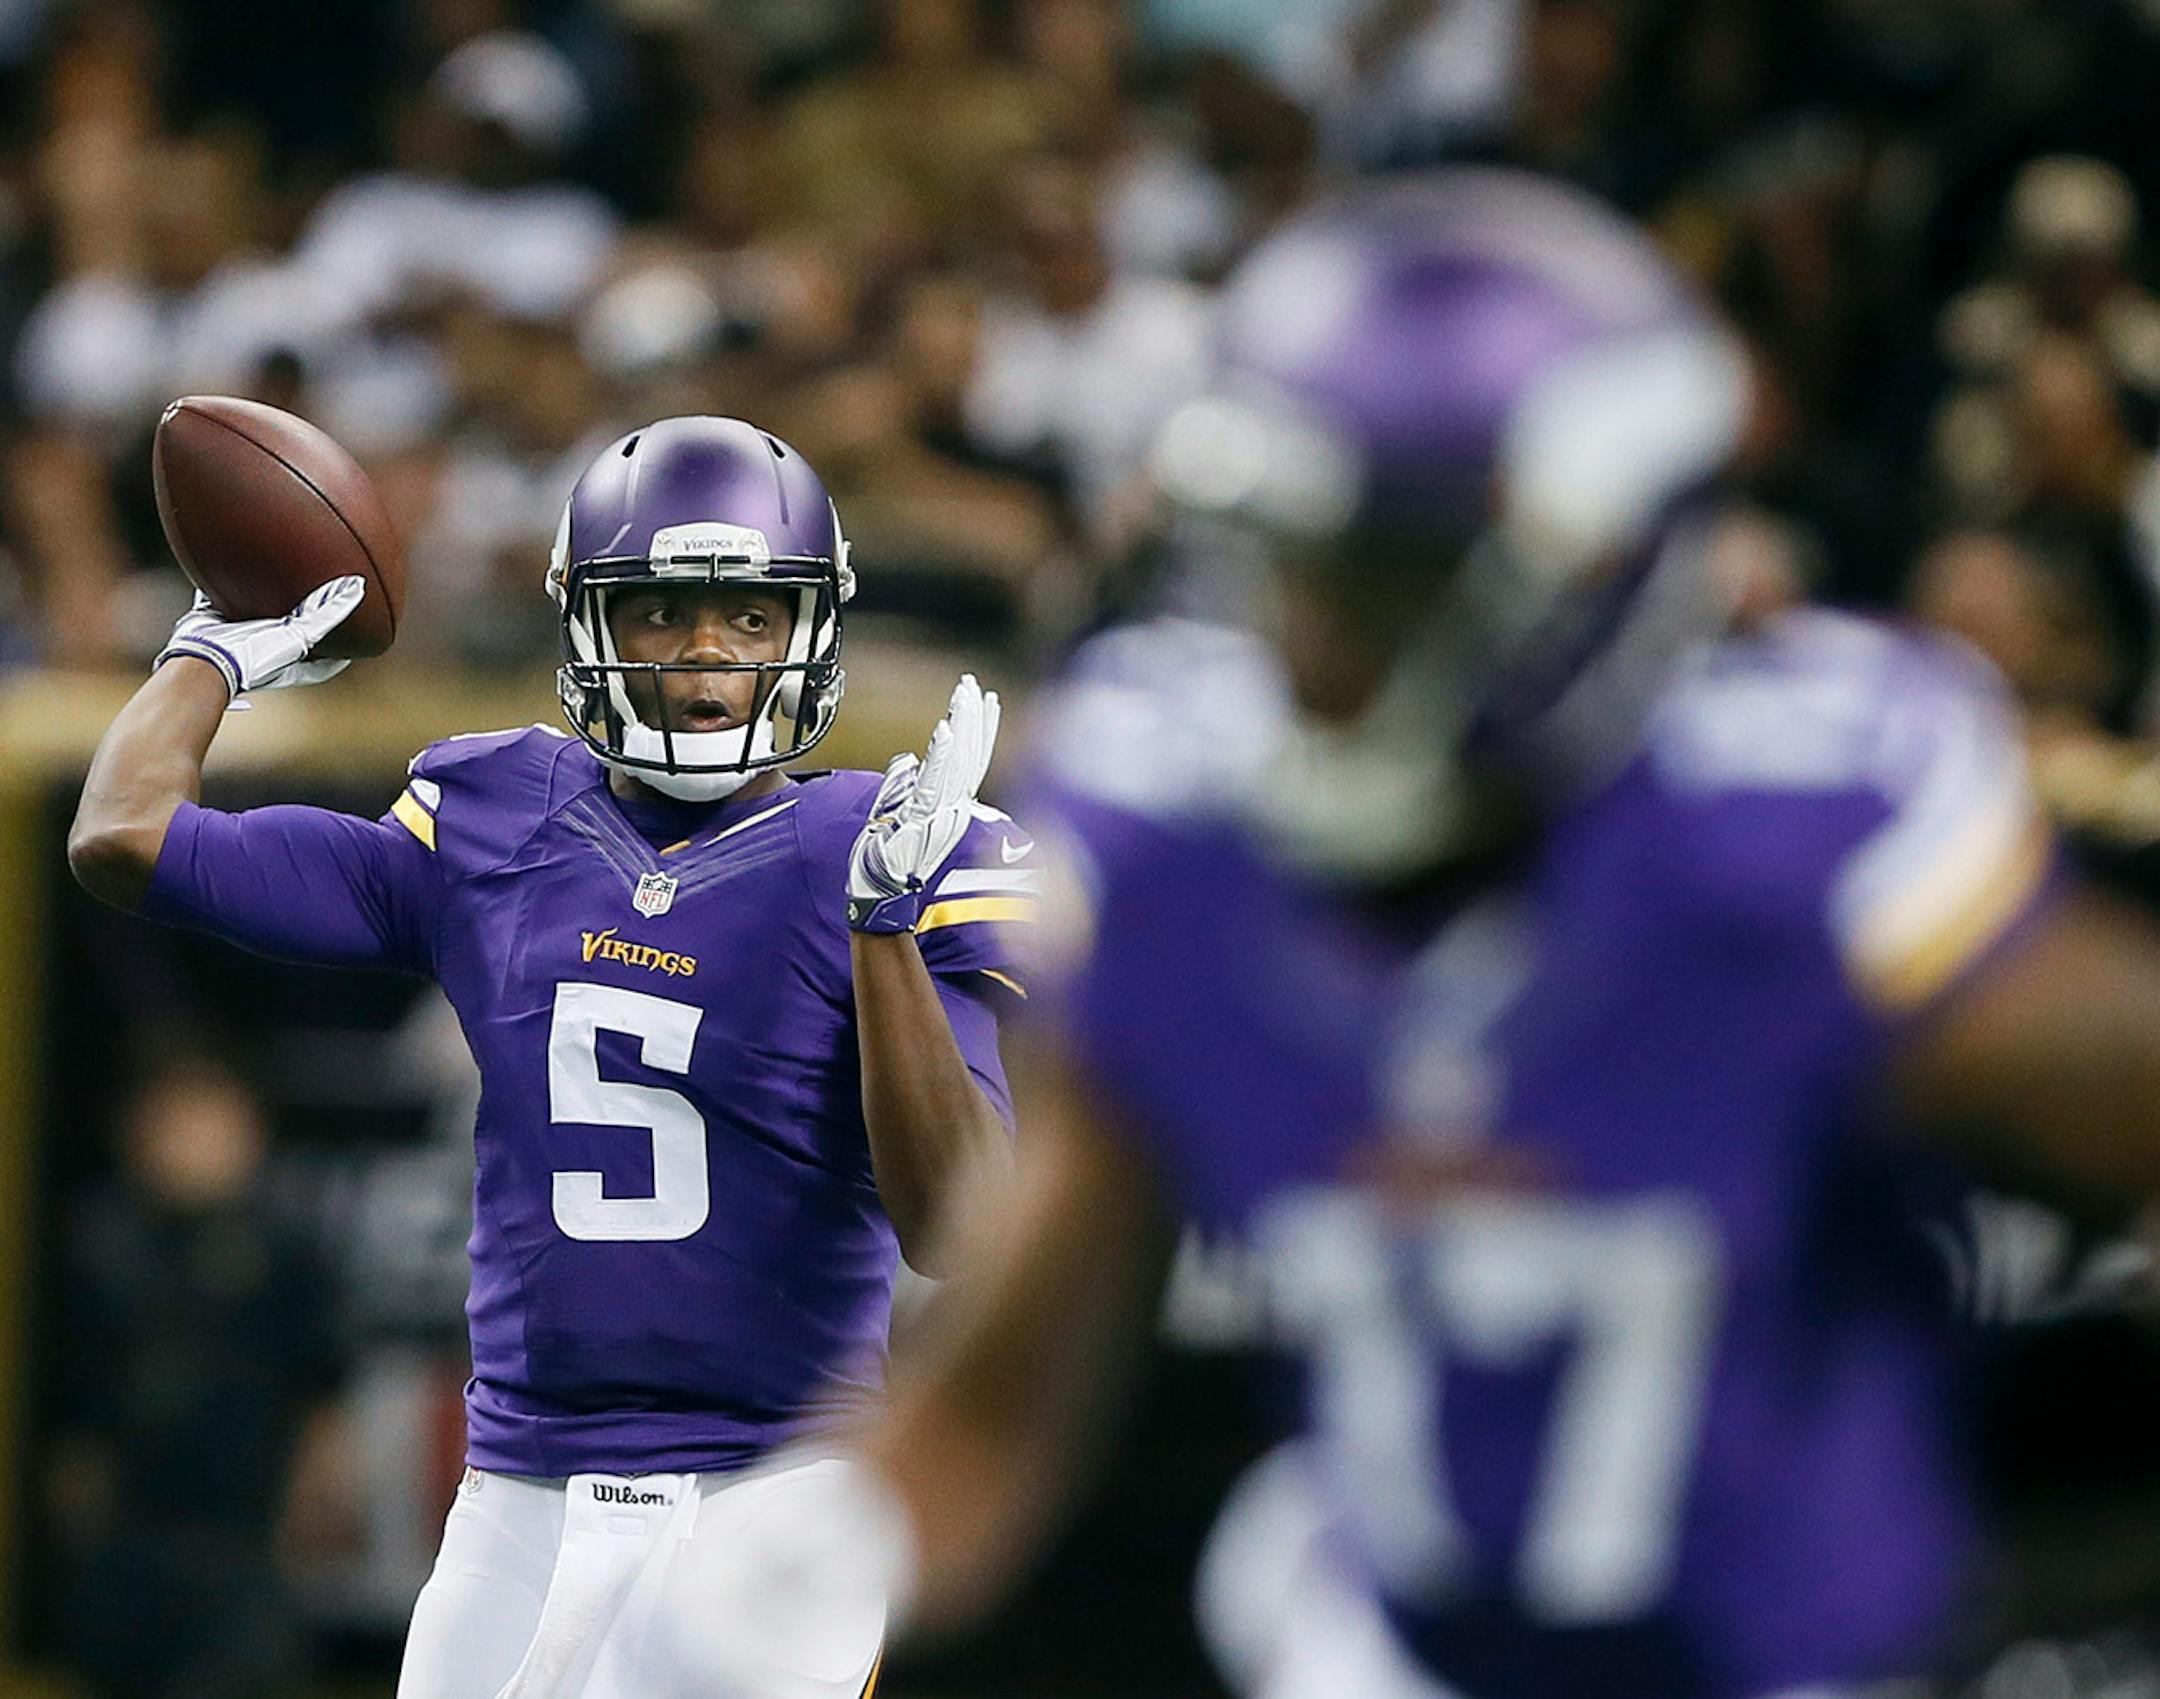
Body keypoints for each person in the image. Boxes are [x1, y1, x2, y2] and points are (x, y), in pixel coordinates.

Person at [673, 174, 2160, 1698]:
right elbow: (1006, 1383)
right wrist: (815, 1563)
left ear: (1574, 581)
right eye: (1279, 569)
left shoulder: (1794, 858)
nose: (1296, 642)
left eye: (1361, 582)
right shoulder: (1184, 841)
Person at [66, 415, 1037, 1698]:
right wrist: (214, 647)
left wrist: (884, 933)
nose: (705, 661)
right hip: (519, 1492)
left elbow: (963, 1232)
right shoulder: (490, 818)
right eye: (660, 614)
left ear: (812, 628)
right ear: (586, 625)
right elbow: (125, 831)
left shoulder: (887, 848)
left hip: (772, 1492)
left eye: (750, 618)